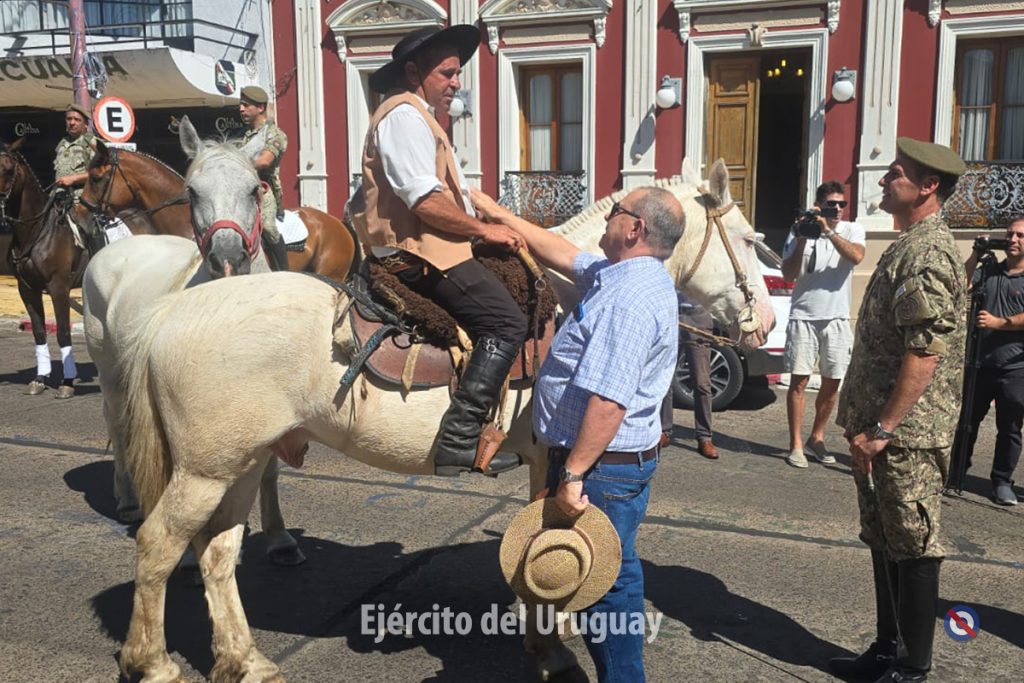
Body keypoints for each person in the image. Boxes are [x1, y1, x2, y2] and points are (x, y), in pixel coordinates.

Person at [473, 185, 684, 682]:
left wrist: (572, 475)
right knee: (616, 572)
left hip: (599, 470)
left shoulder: (627, 299)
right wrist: (497, 213)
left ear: (635, 229)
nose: (607, 217)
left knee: (601, 586)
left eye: (615, 211)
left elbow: (608, 402)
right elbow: (564, 253)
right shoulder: (622, 273)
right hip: (610, 466)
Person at [351, 26, 528, 477]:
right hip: (416, 256)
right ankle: (458, 440)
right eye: (447, 73)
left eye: (457, 73)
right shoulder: (404, 117)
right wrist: (484, 231)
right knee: (507, 322)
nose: (456, 82)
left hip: (431, 247)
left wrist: (481, 214)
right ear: (414, 73)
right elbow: (425, 203)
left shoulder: (420, 117)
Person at [833, 138, 967, 683]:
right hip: (880, 432)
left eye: (895, 174)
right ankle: (888, 649)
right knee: (884, 538)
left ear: (928, 186)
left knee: (913, 544)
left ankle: (912, 667)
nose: (884, 181)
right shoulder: (908, 243)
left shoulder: (927, 252)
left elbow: (924, 351)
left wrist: (884, 427)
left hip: (906, 436)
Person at [781, 180, 865, 468]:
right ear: (819, 205)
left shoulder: (852, 229)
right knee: (799, 381)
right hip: (803, 316)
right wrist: (802, 237)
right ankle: (795, 444)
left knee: (832, 381)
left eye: (842, 204)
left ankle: (816, 437)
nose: (838, 209)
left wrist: (828, 231)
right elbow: (789, 274)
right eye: (832, 204)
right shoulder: (800, 230)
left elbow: (856, 256)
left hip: (836, 317)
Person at [958, 217, 1024, 506]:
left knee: (1009, 428)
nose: (1013, 240)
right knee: (966, 422)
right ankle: (956, 471)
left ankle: (1001, 481)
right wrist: (976, 254)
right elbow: (960, 285)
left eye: (1020, 235)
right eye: (1010, 234)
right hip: (979, 363)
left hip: (1015, 368)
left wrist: (1000, 323)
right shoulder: (989, 270)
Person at [237, 85, 290, 272]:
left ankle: (284, 271)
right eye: (240, 105)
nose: (241, 109)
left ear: (260, 108)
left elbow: (265, 161)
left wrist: (236, 165)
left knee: (267, 227)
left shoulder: (275, 134)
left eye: (246, 105)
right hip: (243, 189)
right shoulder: (244, 136)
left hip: (264, 189)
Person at [53, 103, 100, 252]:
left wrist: (73, 179)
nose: (72, 122)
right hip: (58, 200)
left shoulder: (92, 143)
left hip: (81, 201)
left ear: (85, 124)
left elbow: (102, 172)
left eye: (77, 119)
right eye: (69, 119)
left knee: (87, 236)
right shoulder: (62, 143)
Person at [679, 295, 718, 458]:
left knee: (702, 382)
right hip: (670, 311)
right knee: (663, 379)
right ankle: (663, 430)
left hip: (698, 315)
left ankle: (704, 436)